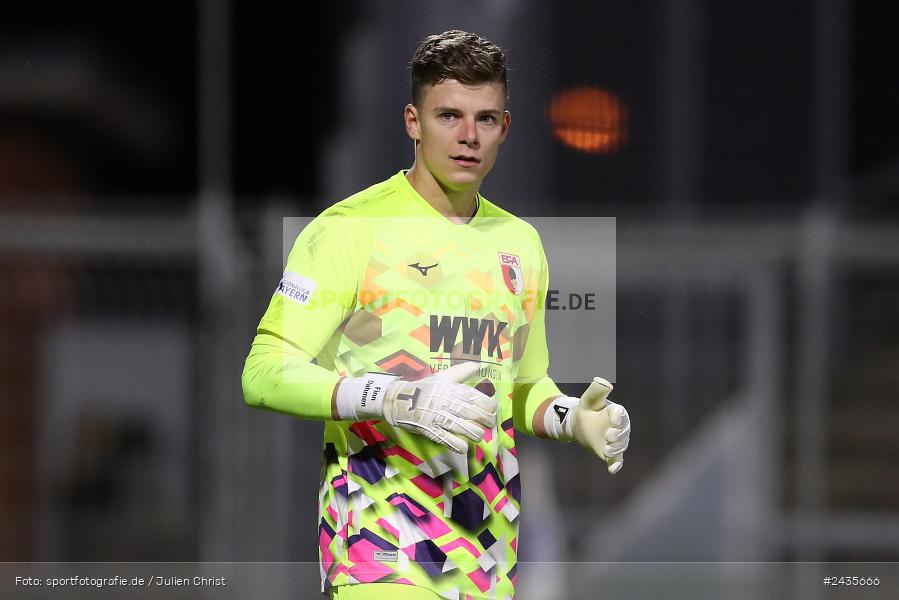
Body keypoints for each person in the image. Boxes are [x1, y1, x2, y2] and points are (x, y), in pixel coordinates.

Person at [242, 30, 631, 600]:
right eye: (449, 115)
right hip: (380, 548)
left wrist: (572, 418)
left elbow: (519, 388)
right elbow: (264, 372)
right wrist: (395, 398)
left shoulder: (520, 243)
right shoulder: (346, 232)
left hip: (485, 559)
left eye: (486, 119)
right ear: (412, 122)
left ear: (506, 127)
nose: (469, 136)